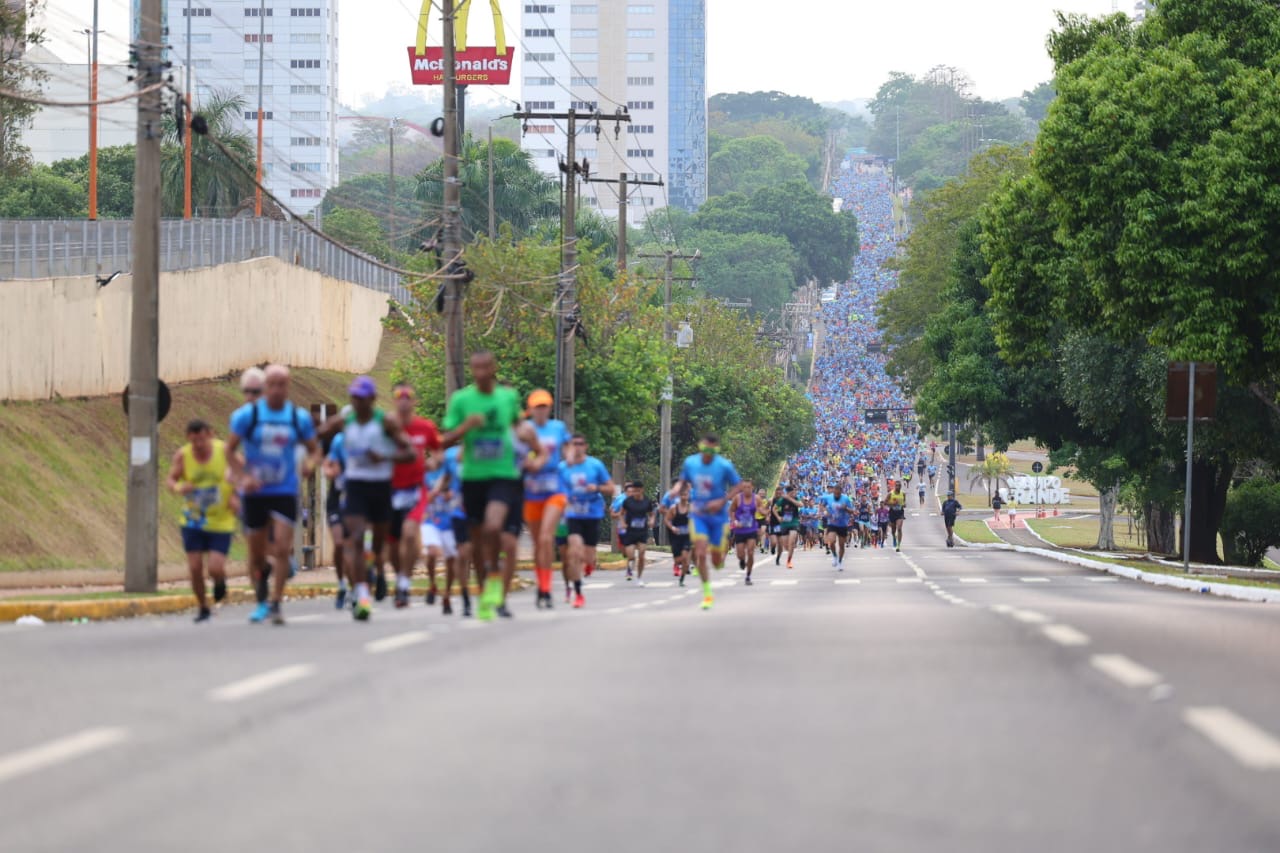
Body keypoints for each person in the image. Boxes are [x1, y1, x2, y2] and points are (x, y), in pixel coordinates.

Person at [441, 351, 542, 621]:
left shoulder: (507, 398)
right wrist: (466, 427)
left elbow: (523, 430)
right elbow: (445, 440)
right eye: (476, 368)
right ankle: (487, 589)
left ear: (493, 368)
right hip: (473, 477)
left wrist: (528, 447)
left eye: (485, 367)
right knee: (476, 545)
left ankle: (499, 587)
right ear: (472, 370)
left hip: (504, 476)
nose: (481, 373)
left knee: (495, 528)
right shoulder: (462, 400)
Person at [226, 364, 320, 625]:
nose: (277, 389)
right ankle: (260, 601)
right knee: (256, 555)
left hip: (285, 490)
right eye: (273, 384)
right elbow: (229, 451)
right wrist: (244, 477)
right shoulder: (248, 416)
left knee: (280, 548)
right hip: (255, 491)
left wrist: (308, 466)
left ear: (289, 386)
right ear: (266, 386)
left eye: (283, 384)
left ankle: (276, 603)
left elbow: (314, 451)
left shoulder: (297, 417)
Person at [317, 376, 416, 619]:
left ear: (372, 399)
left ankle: (373, 565)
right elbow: (319, 434)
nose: (358, 403)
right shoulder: (345, 422)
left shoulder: (386, 423)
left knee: (379, 543)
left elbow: (411, 453)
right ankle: (362, 594)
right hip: (356, 487)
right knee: (357, 538)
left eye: (362, 398)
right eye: (354, 398)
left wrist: (384, 457)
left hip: (381, 487)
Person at [167, 419, 236, 623]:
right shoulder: (183, 455)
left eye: (202, 440)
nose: (198, 445)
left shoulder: (224, 451)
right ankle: (202, 607)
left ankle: (220, 581)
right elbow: (171, 479)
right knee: (195, 567)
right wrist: (180, 488)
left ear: (210, 435)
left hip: (221, 519)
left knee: (215, 567)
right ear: (189, 439)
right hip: (193, 520)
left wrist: (236, 492)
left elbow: (242, 470)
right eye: (194, 441)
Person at [668, 434, 743, 610]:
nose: (707, 454)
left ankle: (718, 558)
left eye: (711, 450)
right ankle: (707, 593)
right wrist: (676, 489)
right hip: (699, 515)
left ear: (716, 450)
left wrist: (723, 501)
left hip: (718, 517)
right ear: (700, 447)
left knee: (716, 561)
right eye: (705, 450)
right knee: (700, 553)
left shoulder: (724, 465)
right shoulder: (691, 462)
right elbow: (682, 481)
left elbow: (738, 486)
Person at [386, 383, 441, 608]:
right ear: (394, 400)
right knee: (392, 545)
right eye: (400, 396)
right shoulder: (387, 426)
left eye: (408, 396)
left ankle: (404, 584)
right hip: (389, 489)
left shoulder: (424, 427)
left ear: (414, 402)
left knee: (409, 534)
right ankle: (400, 576)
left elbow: (438, 450)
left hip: (415, 489)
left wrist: (433, 462)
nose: (404, 400)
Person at [522, 389, 572, 609]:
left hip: (554, 488)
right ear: (530, 409)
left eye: (544, 406)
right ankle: (541, 585)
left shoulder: (557, 428)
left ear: (549, 408)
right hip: (531, 490)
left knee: (545, 538)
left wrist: (569, 457)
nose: (541, 410)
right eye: (537, 406)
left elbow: (569, 447)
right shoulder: (524, 429)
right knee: (537, 543)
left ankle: (547, 588)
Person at [560, 434, 615, 608]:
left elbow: (611, 488)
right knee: (574, 551)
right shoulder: (563, 467)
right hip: (572, 514)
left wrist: (597, 487)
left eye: (580, 444)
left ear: (586, 446)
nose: (577, 447)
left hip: (592, 513)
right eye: (573, 444)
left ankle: (589, 564)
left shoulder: (595, 465)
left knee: (588, 556)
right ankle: (578, 593)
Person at [321, 428, 349, 609]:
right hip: (337, 500)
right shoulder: (339, 440)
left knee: (357, 546)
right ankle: (341, 585)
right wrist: (329, 471)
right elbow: (327, 463)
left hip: (359, 500)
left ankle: (362, 583)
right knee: (339, 544)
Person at [620, 482, 657, 585]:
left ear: (642, 490)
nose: (636, 493)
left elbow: (651, 514)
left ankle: (639, 577)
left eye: (638, 490)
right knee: (631, 556)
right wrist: (623, 523)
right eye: (634, 490)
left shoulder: (647, 501)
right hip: (630, 531)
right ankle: (630, 565)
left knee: (642, 554)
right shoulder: (628, 502)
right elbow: (621, 513)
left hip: (642, 531)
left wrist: (652, 520)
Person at [729, 480, 759, 584]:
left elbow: (762, 509)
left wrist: (765, 512)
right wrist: (734, 521)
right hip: (740, 530)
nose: (747, 489)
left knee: (750, 552)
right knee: (740, 555)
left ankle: (748, 576)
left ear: (752, 487)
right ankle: (742, 561)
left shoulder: (756, 498)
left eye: (749, 487)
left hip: (752, 529)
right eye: (745, 487)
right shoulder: (737, 498)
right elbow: (731, 510)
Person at [821, 483, 854, 569]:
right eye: (835, 493)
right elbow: (822, 505)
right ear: (833, 492)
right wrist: (825, 512)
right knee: (831, 541)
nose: (836, 495)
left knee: (841, 545)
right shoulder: (828, 497)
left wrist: (846, 508)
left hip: (843, 524)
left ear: (841, 493)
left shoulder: (846, 499)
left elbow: (852, 511)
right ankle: (835, 556)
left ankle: (840, 562)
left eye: (838, 494)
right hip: (832, 523)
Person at [665, 486, 692, 585]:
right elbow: (667, 520)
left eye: (685, 495)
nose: (684, 497)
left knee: (685, 558)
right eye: (682, 495)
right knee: (678, 559)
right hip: (676, 537)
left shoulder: (691, 508)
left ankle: (682, 578)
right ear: (679, 496)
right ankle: (677, 565)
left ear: (688, 496)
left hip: (687, 536)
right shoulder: (674, 508)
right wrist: (672, 527)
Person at [772, 485, 802, 569]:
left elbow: (800, 505)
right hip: (784, 524)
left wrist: (790, 499)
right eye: (792, 492)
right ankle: (789, 552)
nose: (794, 493)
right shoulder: (782, 500)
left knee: (792, 541)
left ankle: (789, 561)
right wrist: (778, 517)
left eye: (794, 492)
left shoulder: (796, 498)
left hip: (794, 523)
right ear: (788, 493)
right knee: (786, 546)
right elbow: (774, 509)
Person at [885, 480, 907, 551]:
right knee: (893, 530)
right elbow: (885, 502)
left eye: (899, 486)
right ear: (895, 486)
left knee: (899, 528)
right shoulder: (890, 494)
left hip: (900, 513)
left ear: (901, 486)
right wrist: (892, 504)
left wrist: (904, 505)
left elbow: (904, 503)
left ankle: (898, 545)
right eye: (896, 485)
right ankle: (894, 537)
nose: (898, 487)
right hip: (892, 513)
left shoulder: (903, 494)